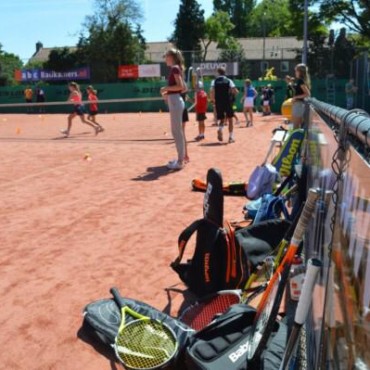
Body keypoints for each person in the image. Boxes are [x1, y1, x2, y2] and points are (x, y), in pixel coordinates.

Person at [160, 48, 186, 170]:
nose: (165, 58)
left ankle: (180, 161)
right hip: (175, 100)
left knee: (176, 132)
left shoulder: (175, 68)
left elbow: (180, 86)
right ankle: (181, 158)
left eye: (166, 56)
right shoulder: (177, 68)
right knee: (177, 131)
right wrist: (169, 92)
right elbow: (184, 88)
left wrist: (166, 89)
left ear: (172, 57)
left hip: (175, 101)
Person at [210, 67, 238, 144]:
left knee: (221, 119)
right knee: (230, 119)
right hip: (227, 102)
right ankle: (231, 137)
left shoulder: (214, 81)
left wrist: (213, 100)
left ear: (218, 73)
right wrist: (232, 96)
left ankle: (220, 129)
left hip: (218, 102)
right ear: (224, 73)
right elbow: (235, 91)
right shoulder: (229, 80)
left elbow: (212, 91)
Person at [291, 63, 311, 129]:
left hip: (299, 105)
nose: (295, 72)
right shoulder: (300, 81)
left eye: (296, 71)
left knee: (296, 126)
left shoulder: (300, 81)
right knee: (296, 126)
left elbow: (307, 93)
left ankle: (296, 139)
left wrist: (295, 97)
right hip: (298, 104)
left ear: (300, 72)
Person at [182, 92, 190, 163]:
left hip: (180, 109)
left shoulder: (178, 83)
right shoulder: (183, 84)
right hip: (183, 109)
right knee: (182, 133)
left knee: (181, 133)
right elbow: (186, 97)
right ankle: (185, 155)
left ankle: (183, 156)